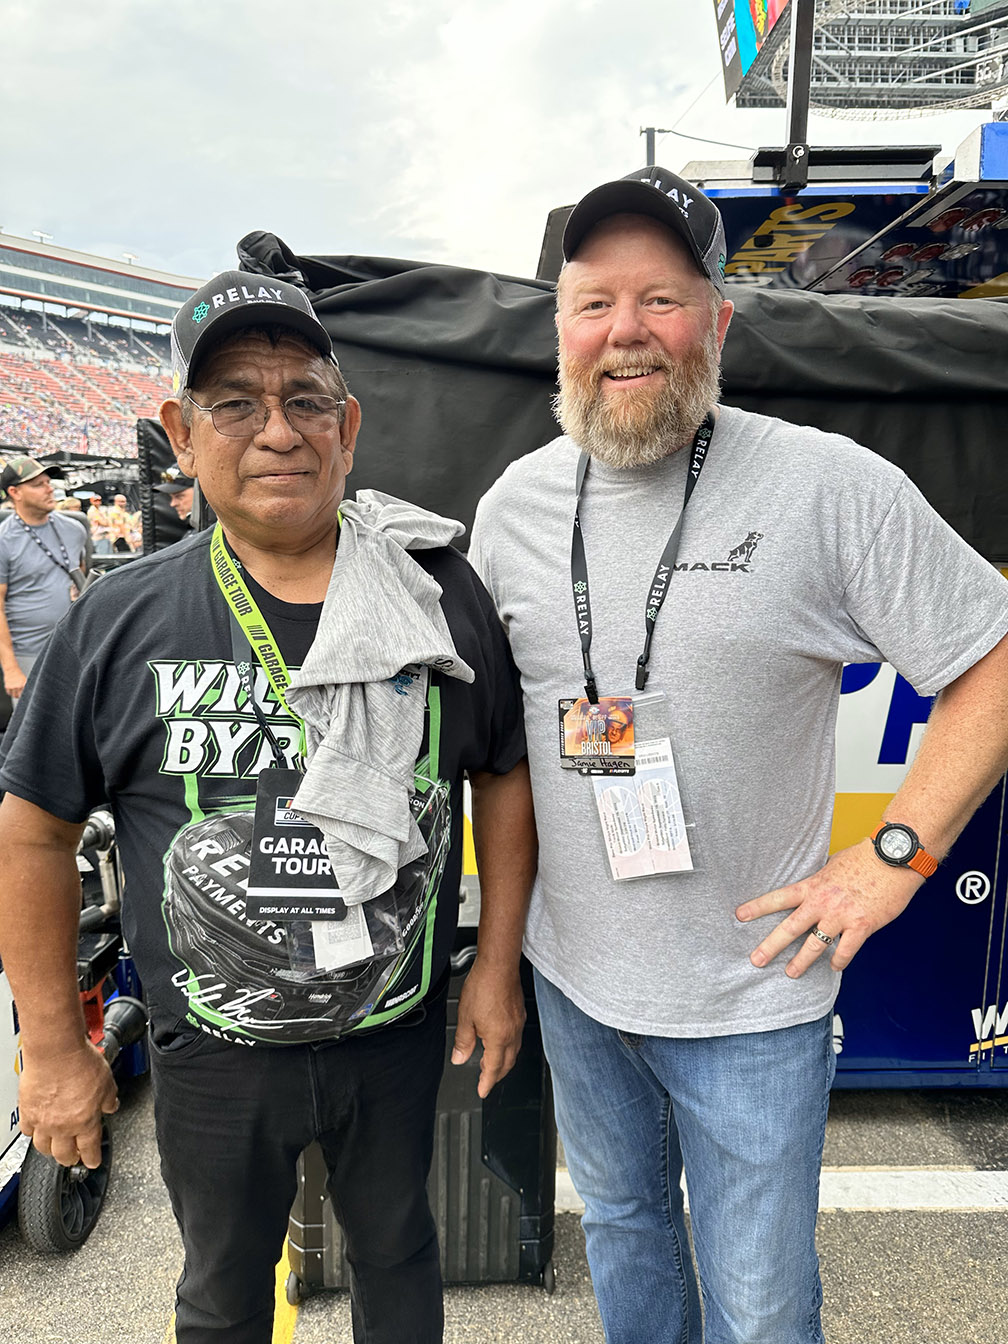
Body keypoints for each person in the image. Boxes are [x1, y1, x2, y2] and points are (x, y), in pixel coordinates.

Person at [469, 167, 1008, 1344]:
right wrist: (501, 961)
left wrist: (896, 856)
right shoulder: (513, 508)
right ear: (560, 331)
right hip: (576, 983)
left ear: (717, 323)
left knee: (760, 1309)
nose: (624, 331)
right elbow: (501, 756)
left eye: (660, 300)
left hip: (753, 1000)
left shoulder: (826, 487)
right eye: (594, 303)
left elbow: (995, 658)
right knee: (623, 1235)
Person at [0, 270, 534, 1344]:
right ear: (181, 435)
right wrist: (53, 1046)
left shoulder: (435, 595)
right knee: (223, 1292)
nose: (278, 431)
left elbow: (503, 774)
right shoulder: (119, 619)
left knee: (401, 1259)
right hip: (213, 1051)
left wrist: (496, 968)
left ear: (349, 429)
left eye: (305, 402)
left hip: (393, 1030)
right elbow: (34, 832)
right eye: (235, 404)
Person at [0, 454, 88, 702]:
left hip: (75, 647)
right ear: (15, 492)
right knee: (34, 723)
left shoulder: (75, 529)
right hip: (28, 653)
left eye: (48, 482)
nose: (49, 489)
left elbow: (80, 577)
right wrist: (11, 668)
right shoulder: (4, 539)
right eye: (38, 485)